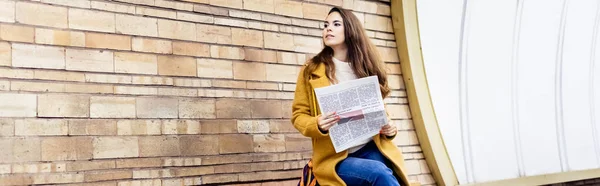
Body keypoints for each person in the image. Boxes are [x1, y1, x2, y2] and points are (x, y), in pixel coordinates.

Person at [291, 6, 411, 186]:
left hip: (370, 147)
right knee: (379, 174)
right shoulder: (311, 70)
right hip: (335, 157)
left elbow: (380, 111)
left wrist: (390, 129)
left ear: (350, 30)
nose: (328, 28)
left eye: (335, 24)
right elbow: (298, 115)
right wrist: (317, 124)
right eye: (325, 25)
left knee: (389, 172)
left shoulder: (365, 68)